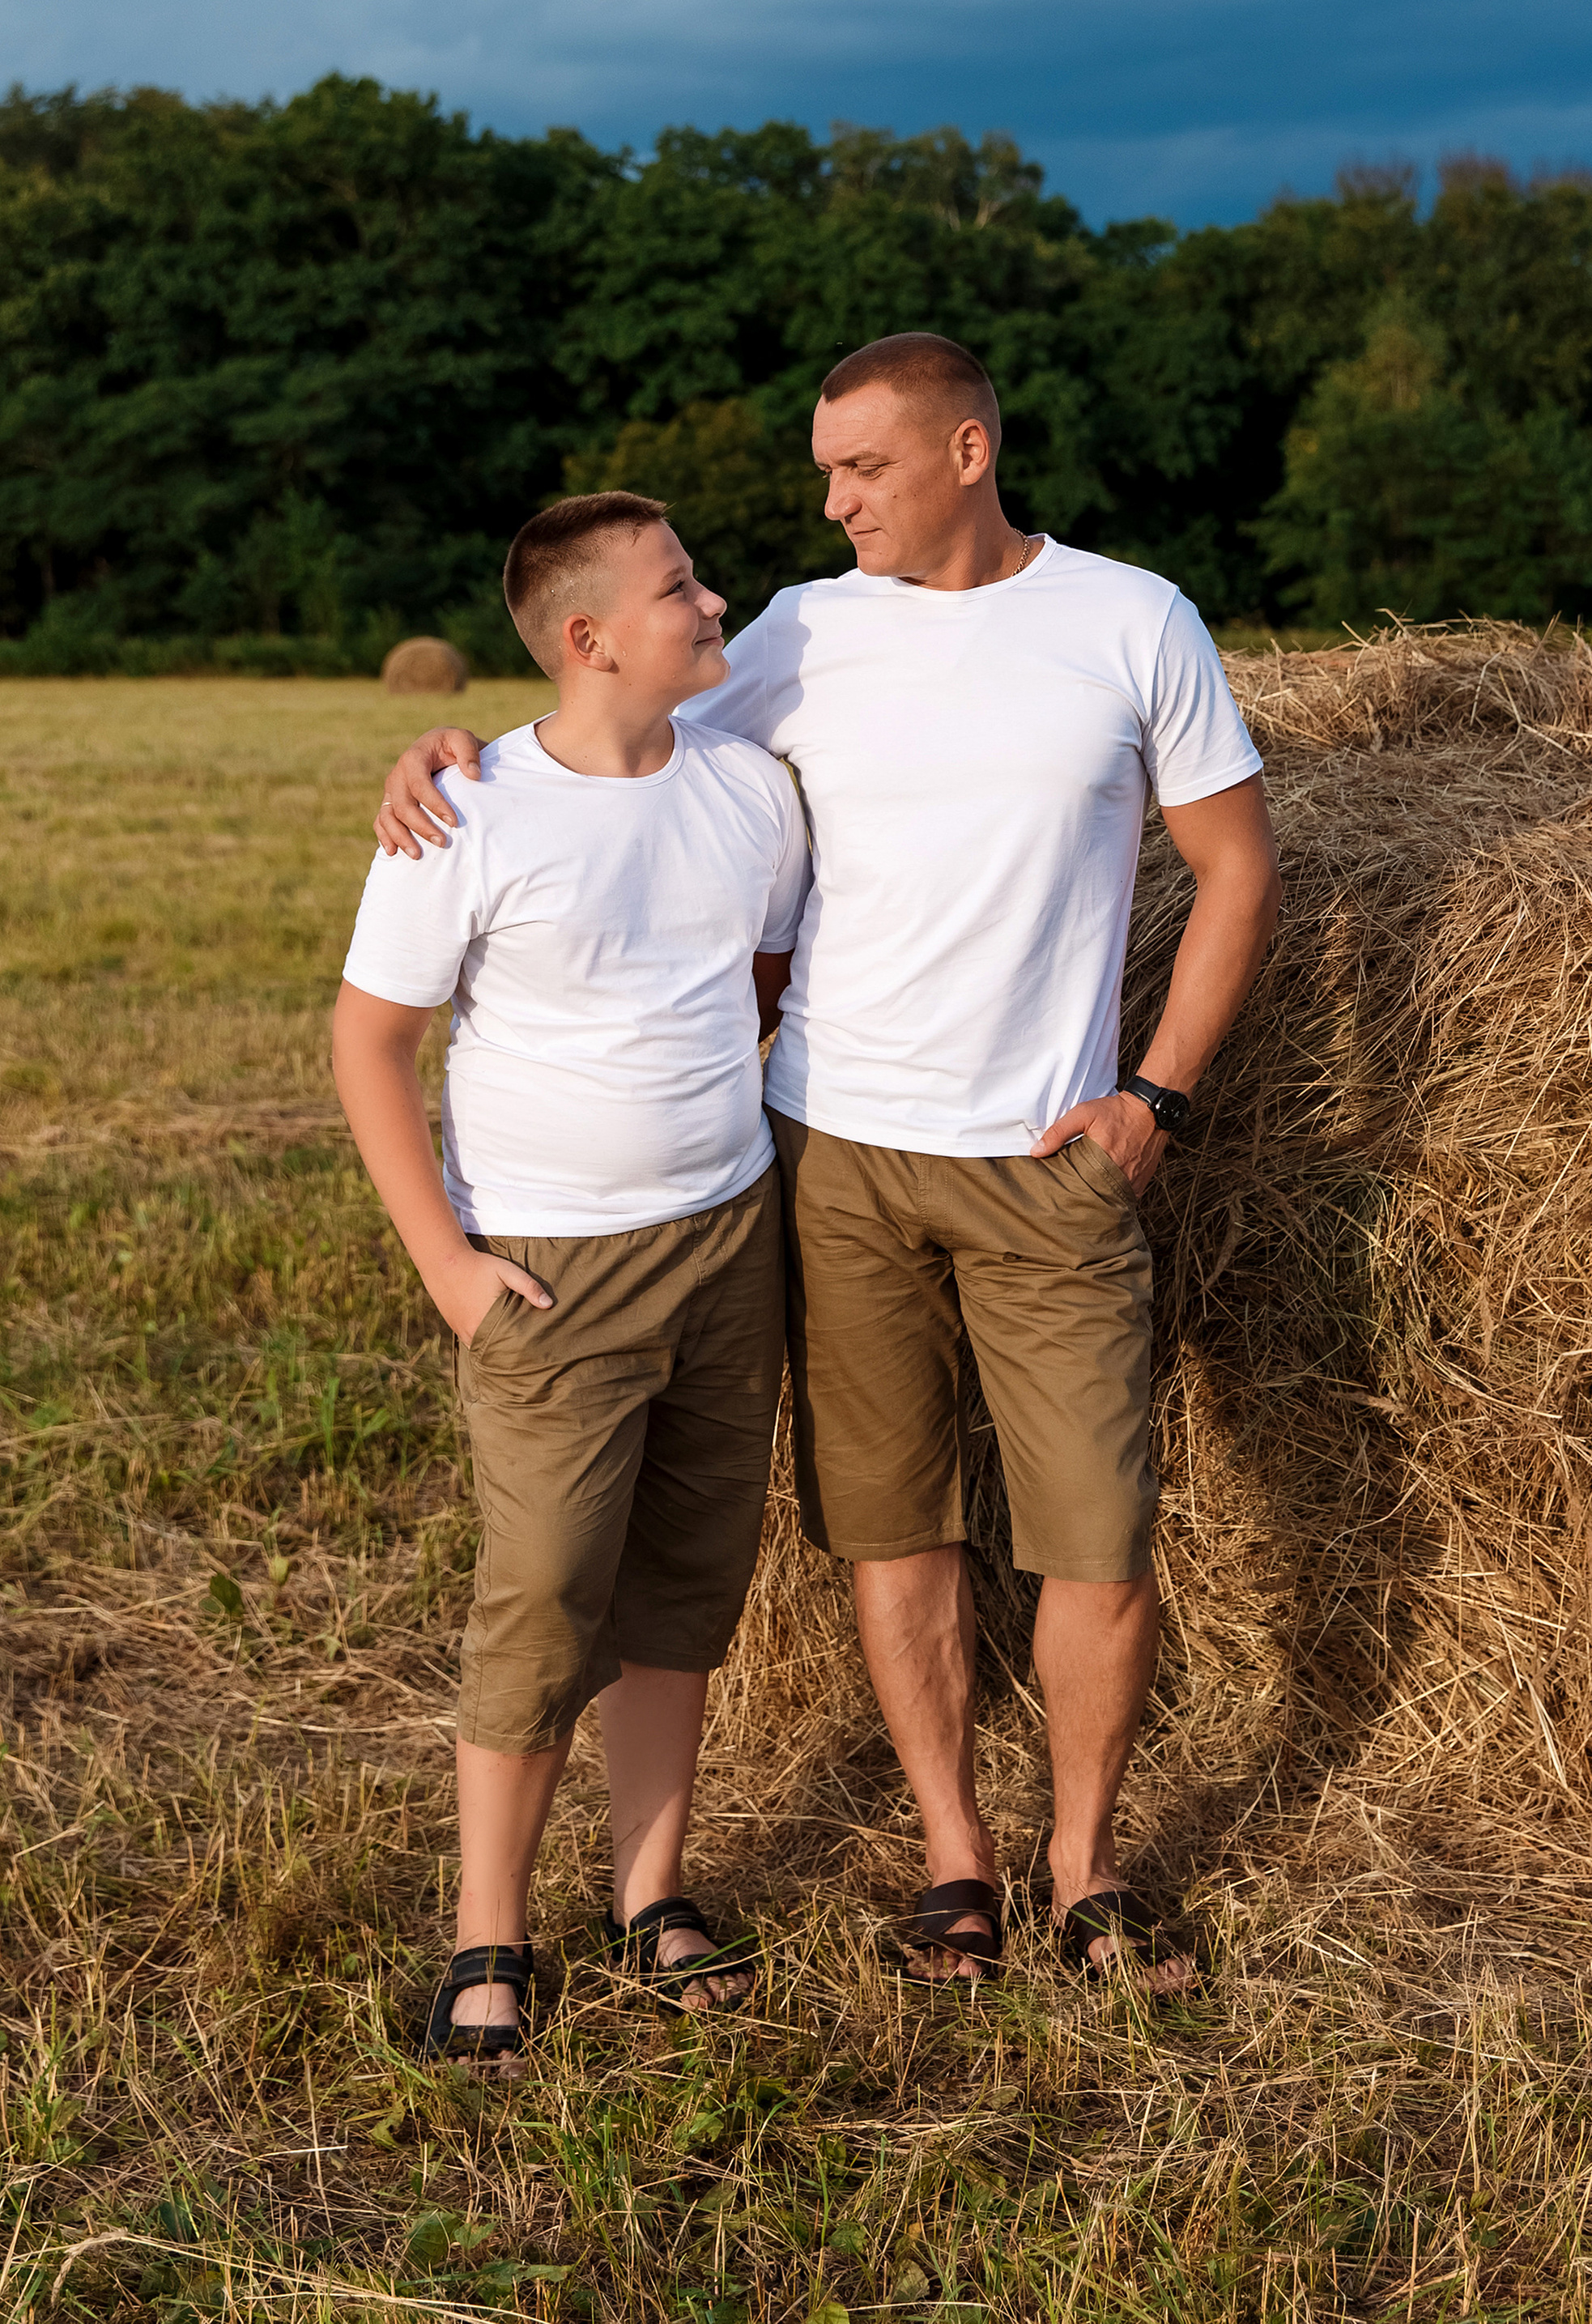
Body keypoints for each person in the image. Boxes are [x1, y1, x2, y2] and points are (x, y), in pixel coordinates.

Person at [376, 335, 1280, 1993]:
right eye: (824, 473)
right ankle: (955, 1859)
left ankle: (1085, 1868)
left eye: (860, 468)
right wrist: (451, 751)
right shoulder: (802, 629)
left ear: (965, 450)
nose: (831, 502)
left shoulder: (1132, 619)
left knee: (1095, 1535)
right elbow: (599, 722)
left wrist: (1156, 1093)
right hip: (832, 1154)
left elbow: (1236, 865)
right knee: (888, 1527)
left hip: (1050, 1157)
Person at [334, 491, 809, 2063]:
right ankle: (490, 1929)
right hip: (543, 1271)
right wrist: (449, 1266)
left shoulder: (749, 790)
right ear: (590, 635)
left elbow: (753, 981)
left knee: (683, 1583)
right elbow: (371, 1041)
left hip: (728, 1240)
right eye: (681, 585)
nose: (714, 600)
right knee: (541, 1593)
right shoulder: (468, 810)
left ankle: (649, 1892)